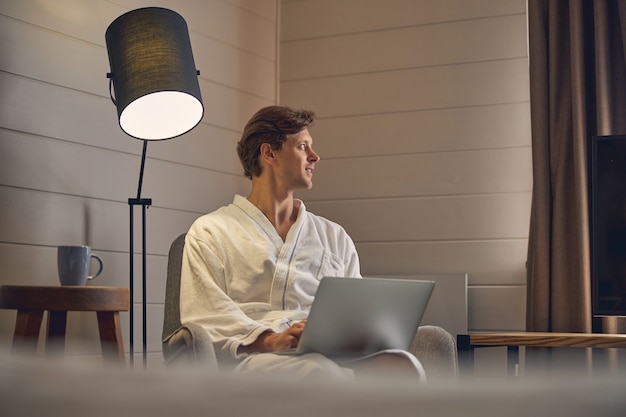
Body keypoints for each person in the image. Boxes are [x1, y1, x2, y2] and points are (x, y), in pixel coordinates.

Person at [180, 105, 425, 379]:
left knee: (403, 366)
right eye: (303, 147)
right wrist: (271, 339)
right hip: (257, 357)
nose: (315, 157)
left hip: (329, 352)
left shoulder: (334, 236)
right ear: (269, 153)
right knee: (320, 371)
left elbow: (356, 313)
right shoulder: (211, 231)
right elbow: (204, 314)